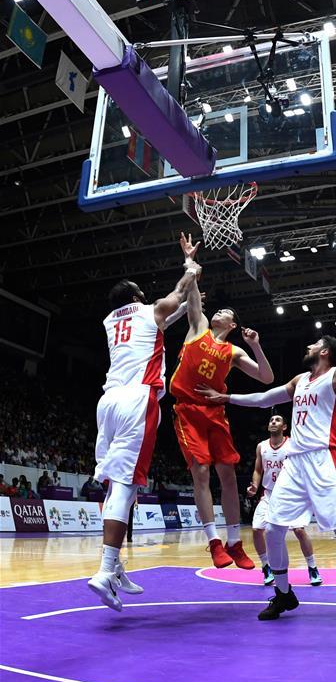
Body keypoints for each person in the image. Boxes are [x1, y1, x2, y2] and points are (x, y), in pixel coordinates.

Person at [198, 334, 336, 633]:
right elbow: (267, 398)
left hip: (325, 459)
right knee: (273, 528)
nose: (307, 346)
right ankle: (283, 593)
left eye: (314, 344)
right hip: (295, 463)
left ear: (325, 351)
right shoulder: (300, 380)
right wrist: (228, 398)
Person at [87, 234, 201, 612]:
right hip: (138, 399)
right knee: (126, 484)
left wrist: (187, 296)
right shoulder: (148, 310)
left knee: (119, 486)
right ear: (137, 296)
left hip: (108, 403)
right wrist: (189, 267)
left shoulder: (110, 321)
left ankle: (115, 565)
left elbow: (172, 312)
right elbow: (175, 296)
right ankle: (104, 570)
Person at [169, 256, 273, 570]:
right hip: (188, 410)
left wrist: (255, 346)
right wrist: (189, 262)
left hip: (214, 412)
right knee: (200, 471)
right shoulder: (198, 326)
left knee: (228, 477)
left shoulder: (234, 351)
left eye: (225, 313)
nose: (219, 312)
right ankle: (214, 542)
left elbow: (266, 378)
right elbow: (191, 292)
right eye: (218, 310)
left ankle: (235, 543)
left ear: (232, 325)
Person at [248, 412, 322, 586]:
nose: (273, 422)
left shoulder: (292, 445)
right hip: (269, 494)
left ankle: (312, 567)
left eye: (278, 420)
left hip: (290, 495)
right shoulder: (261, 446)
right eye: (271, 420)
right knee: (257, 530)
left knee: (299, 530)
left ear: (285, 427)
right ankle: (266, 566)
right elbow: (258, 470)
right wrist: (254, 486)